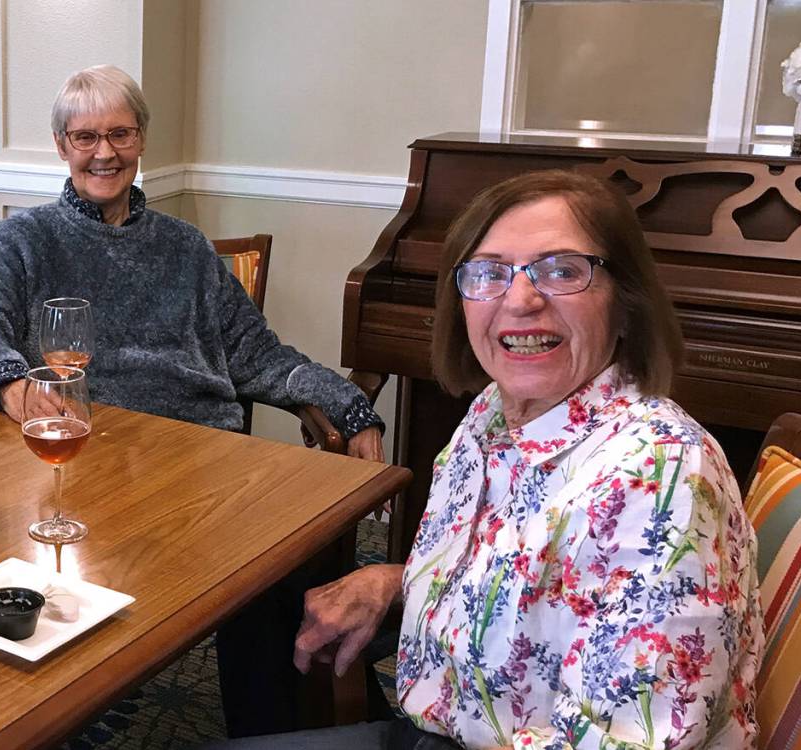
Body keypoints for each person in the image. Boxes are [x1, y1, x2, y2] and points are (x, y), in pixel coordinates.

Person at [208, 170, 763, 749]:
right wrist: (395, 579)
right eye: (490, 273)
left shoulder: (658, 474)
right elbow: (533, 580)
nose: (520, 299)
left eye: (563, 270)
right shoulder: (495, 411)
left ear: (625, 301)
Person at [0, 64, 384, 737]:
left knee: (282, 563)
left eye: (119, 133)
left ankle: (291, 732)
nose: (104, 153)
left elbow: (257, 355)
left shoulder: (185, 247)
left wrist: (346, 401)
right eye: (85, 137)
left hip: (206, 464)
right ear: (61, 146)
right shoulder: (25, 240)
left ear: (142, 139)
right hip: (94, 463)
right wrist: (14, 386)